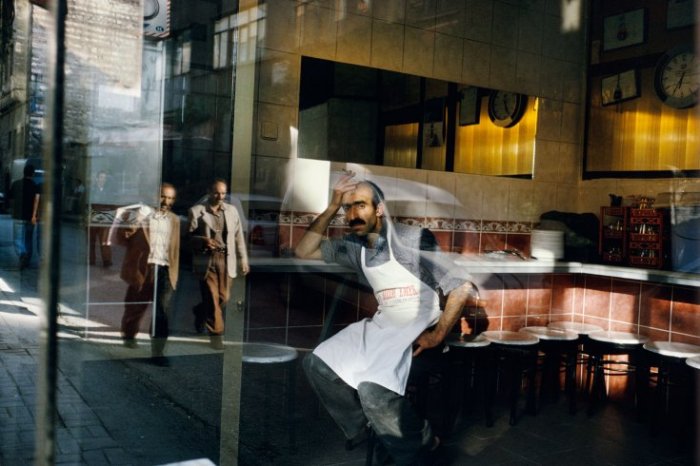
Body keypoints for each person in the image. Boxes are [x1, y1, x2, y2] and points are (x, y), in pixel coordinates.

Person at [295, 172, 478, 465]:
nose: (353, 214)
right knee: (317, 364)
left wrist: (437, 335)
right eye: (348, 208)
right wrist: (332, 206)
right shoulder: (354, 248)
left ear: (379, 209)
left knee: (372, 390)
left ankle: (421, 445)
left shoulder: (412, 239)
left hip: (419, 330)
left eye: (361, 205)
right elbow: (303, 251)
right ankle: (369, 429)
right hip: (383, 326)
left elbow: (460, 285)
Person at [115, 184, 180, 365]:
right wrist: (135, 220)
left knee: (162, 312)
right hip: (143, 268)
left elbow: (175, 249)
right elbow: (122, 237)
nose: (166, 201)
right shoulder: (141, 214)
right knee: (135, 306)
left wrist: (174, 273)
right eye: (163, 196)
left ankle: (157, 353)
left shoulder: (174, 220)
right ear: (154, 196)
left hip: (165, 270)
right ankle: (129, 334)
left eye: (170, 198)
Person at [188, 179, 249, 349]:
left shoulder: (232, 211)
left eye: (223, 193)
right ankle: (216, 336)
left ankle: (200, 311)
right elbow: (188, 239)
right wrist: (203, 241)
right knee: (212, 299)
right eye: (216, 193)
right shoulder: (196, 211)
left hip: (227, 259)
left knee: (224, 297)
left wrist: (243, 259)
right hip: (207, 260)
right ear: (209, 192)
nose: (220, 196)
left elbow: (238, 237)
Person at [8, 162, 40, 270]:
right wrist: (34, 215)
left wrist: (13, 209)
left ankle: (23, 254)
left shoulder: (16, 184)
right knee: (28, 239)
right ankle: (27, 259)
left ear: (23, 172)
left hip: (18, 216)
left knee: (18, 239)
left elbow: (11, 198)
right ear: (33, 174)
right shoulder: (35, 186)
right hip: (30, 217)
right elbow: (37, 202)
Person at [89, 170, 113, 267]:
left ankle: (106, 260)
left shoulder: (109, 191)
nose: (103, 179)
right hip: (93, 218)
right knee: (91, 241)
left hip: (104, 219)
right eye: (101, 177)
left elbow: (111, 204)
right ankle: (91, 259)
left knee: (105, 240)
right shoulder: (92, 190)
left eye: (104, 178)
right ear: (97, 178)